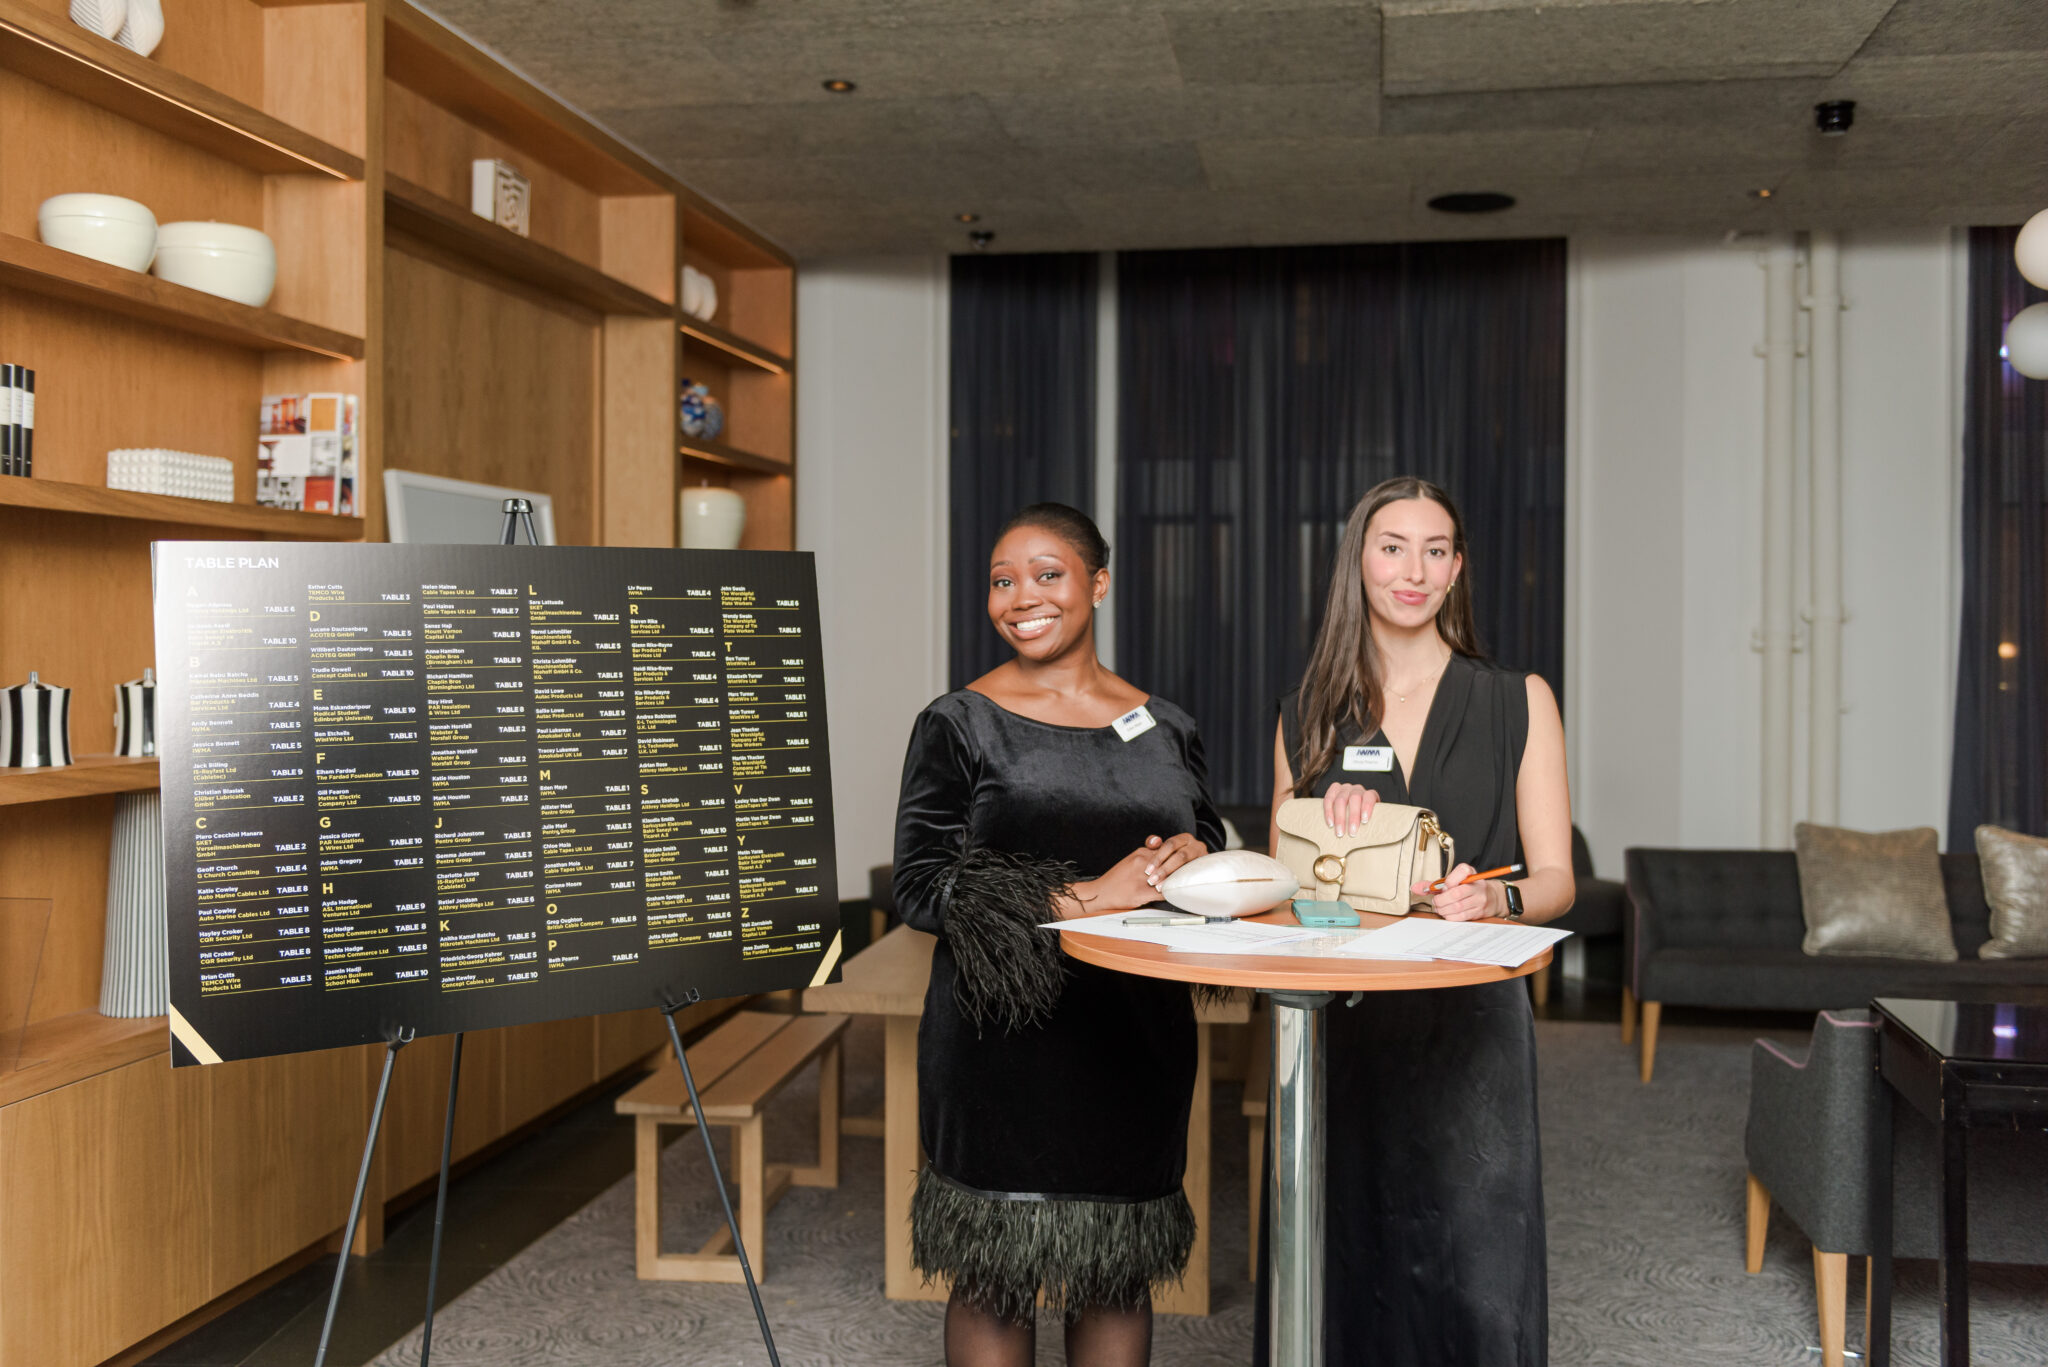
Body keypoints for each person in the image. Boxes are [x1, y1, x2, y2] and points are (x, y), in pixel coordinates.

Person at [892, 503, 1226, 1367]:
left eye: (1048, 574)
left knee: (1115, 1275)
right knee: (994, 1277)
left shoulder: (1167, 726)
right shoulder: (959, 722)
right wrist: (1089, 897)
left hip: (1135, 1042)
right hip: (997, 1051)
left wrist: (1197, 856)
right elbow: (920, 886)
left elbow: (1207, 845)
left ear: (1098, 584)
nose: (1021, 596)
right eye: (1002, 580)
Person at [1254, 476, 1573, 1366]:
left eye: (1435, 551)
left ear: (1457, 568)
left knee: (1477, 1266)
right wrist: (1328, 832)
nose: (1413, 570)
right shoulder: (1307, 713)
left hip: (1473, 1020)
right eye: (1393, 547)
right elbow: (1281, 895)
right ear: (1359, 560)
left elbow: (1556, 880)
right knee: (1342, 1257)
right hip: (1339, 1022)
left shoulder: (1518, 699)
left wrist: (1497, 898)